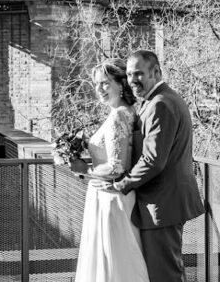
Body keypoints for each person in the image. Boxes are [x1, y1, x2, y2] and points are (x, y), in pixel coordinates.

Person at [96, 50, 205, 282]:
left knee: (164, 274)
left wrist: (121, 184)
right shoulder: (155, 101)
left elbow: (153, 160)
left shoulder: (160, 104)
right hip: (163, 201)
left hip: (162, 203)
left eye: (139, 73)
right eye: (128, 74)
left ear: (156, 72)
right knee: (165, 269)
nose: (133, 80)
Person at [66, 59, 150, 282]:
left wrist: (84, 168)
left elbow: (116, 166)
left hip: (111, 200)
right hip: (110, 196)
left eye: (105, 83)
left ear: (121, 84)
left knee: (115, 263)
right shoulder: (127, 111)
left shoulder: (118, 116)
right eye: (96, 84)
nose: (99, 89)